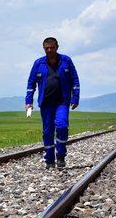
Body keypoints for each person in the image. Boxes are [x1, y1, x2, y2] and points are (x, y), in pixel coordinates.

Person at [25, 37, 80, 168]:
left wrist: (75, 97)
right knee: (48, 132)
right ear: (44, 48)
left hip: (62, 102)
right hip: (46, 103)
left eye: (52, 47)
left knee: (61, 126)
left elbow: (75, 80)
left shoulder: (66, 61)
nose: (49, 50)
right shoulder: (38, 63)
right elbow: (31, 83)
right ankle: (49, 160)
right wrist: (28, 101)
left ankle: (60, 155)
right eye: (46, 48)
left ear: (57, 47)